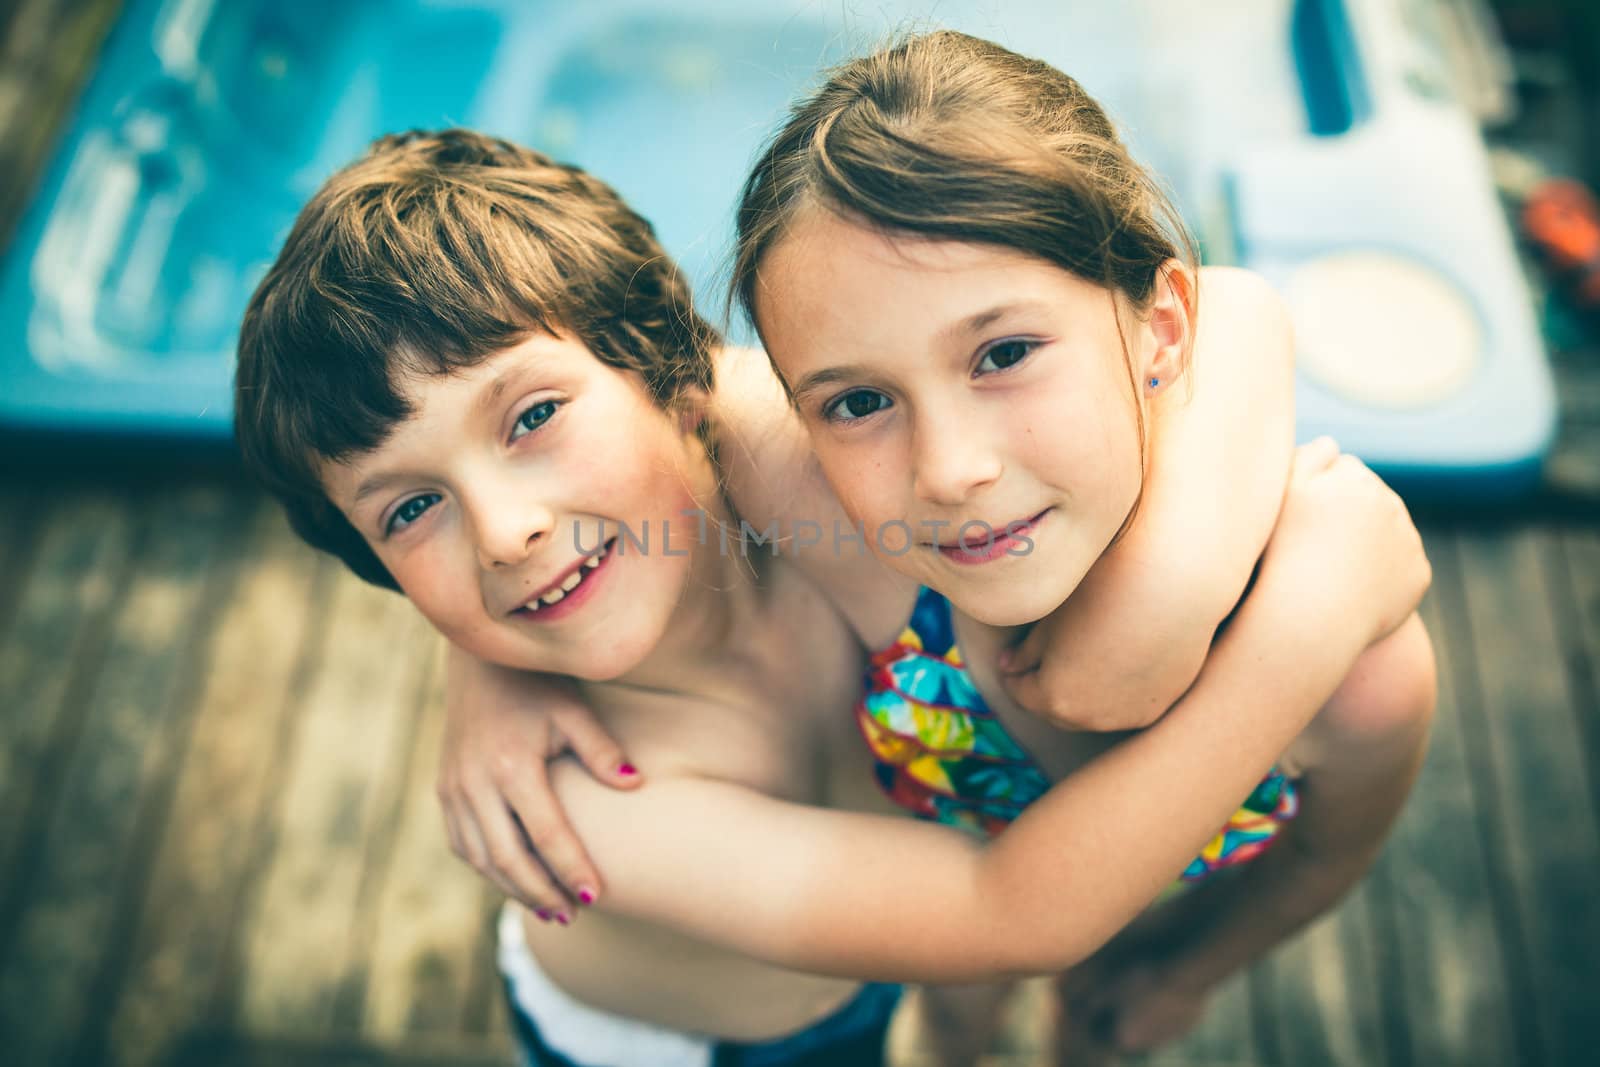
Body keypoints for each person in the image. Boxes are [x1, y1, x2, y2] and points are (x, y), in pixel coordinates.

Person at [234, 128, 1430, 1067]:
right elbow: (1013, 909)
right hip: (734, 1041)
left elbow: (1223, 308)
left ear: (673, 374)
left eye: (533, 418)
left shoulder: (788, 457)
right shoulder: (582, 806)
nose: (505, 529)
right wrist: (1312, 609)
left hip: (882, 919)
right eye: (408, 510)